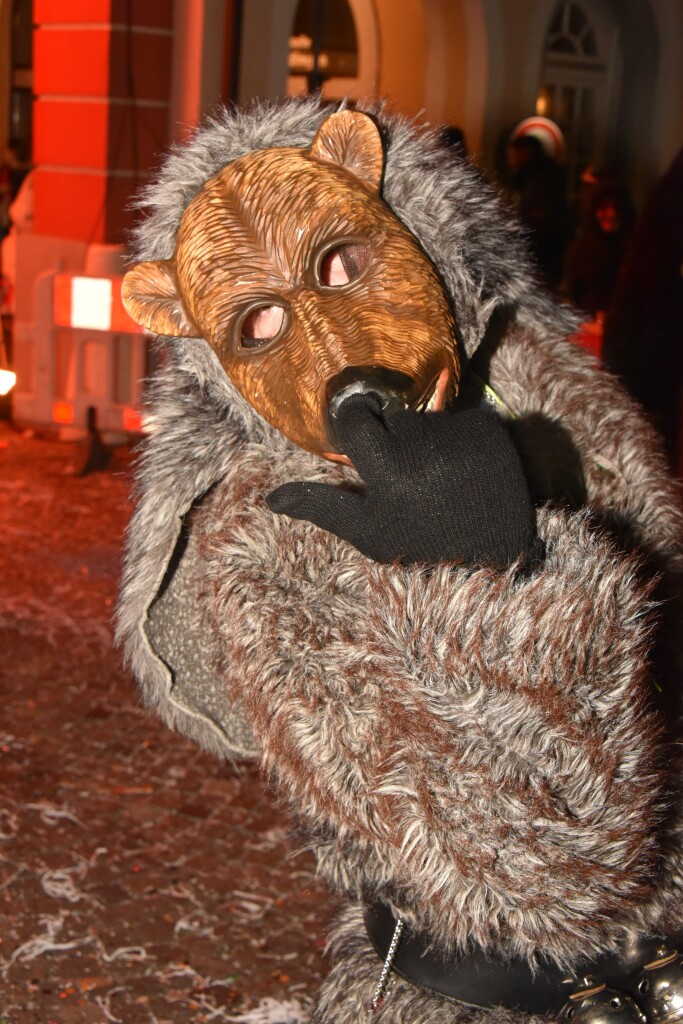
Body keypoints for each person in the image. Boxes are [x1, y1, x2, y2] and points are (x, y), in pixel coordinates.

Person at [118, 99, 683, 1024]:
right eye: (256, 325)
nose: (332, 348)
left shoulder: (538, 388)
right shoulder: (271, 541)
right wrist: (473, 571)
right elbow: (540, 875)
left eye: (342, 263)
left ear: (409, 226)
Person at [602, 147, 683, 471]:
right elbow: (657, 299)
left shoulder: (664, 212)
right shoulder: (668, 219)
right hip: (648, 356)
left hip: (646, 352)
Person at [506, 133, 571, 289]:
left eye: (513, 156)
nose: (511, 162)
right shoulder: (539, 180)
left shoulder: (537, 185)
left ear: (525, 154)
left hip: (538, 259)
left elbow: (538, 223)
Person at [563, 181, 636, 318]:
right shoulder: (581, 251)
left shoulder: (636, 250)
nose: (611, 213)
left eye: (617, 207)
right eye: (603, 208)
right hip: (590, 323)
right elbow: (576, 293)